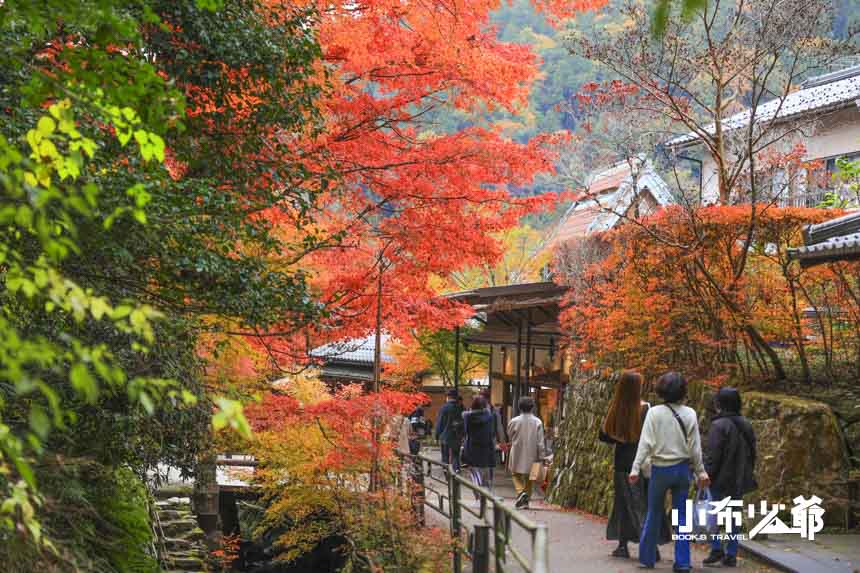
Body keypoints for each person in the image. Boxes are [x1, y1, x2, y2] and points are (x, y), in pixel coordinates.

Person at [630, 372, 709, 572]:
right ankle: (683, 562)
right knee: (681, 516)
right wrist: (701, 472)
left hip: (660, 469)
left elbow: (645, 443)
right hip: (683, 469)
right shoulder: (690, 413)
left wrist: (635, 468)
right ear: (683, 391)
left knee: (653, 512)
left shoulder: (654, 413)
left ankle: (647, 558)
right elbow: (695, 448)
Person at [599, 371, 666, 560]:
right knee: (641, 504)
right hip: (641, 463)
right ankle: (651, 546)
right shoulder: (646, 409)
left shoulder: (615, 409)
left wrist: (620, 436)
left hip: (621, 462)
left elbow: (604, 436)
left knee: (622, 504)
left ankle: (623, 545)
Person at [703, 387, 757, 568]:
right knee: (734, 516)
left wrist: (706, 475)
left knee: (713, 515)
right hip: (739, 478)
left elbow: (713, 455)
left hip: (719, 479)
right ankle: (731, 553)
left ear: (719, 404)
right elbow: (753, 452)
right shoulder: (746, 424)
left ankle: (716, 547)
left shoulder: (719, 426)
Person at [507, 396, 547, 509]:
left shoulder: (514, 421)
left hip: (517, 452)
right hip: (533, 453)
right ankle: (526, 501)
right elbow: (540, 442)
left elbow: (510, 435)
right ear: (532, 407)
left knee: (515, 474)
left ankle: (520, 492)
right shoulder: (538, 422)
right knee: (530, 478)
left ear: (519, 407)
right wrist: (542, 456)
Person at [462, 395, 496, 495]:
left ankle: (477, 490)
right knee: (485, 469)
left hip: (472, 445)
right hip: (486, 445)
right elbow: (492, 432)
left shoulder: (467, 416)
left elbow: (466, 431)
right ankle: (485, 490)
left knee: (473, 469)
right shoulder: (490, 416)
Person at [435, 389, 465, 472]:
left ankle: (446, 471)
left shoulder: (443, 408)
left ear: (448, 397)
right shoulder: (460, 408)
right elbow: (463, 422)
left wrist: (436, 435)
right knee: (455, 455)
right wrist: (463, 434)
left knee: (445, 455)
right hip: (457, 436)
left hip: (445, 436)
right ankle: (456, 469)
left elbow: (440, 423)